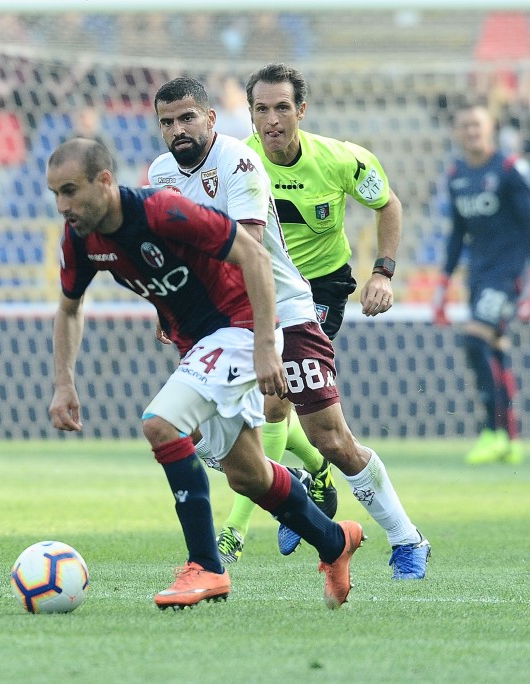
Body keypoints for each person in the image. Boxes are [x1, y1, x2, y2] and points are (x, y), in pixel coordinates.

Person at [47, 137, 364, 610]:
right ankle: (334, 540)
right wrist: (64, 382)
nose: (62, 205)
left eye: (70, 190)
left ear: (105, 181)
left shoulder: (164, 212)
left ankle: (207, 567)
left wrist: (263, 347)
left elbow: (254, 256)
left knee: (160, 423)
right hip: (199, 345)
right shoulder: (80, 238)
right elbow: (69, 309)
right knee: (249, 476)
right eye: (55, 194)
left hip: (238, 329)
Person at [148, 77, 430, 580]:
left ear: (212, 118)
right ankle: (300, 483)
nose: (177, 130)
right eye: (167, 122)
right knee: (218, 452)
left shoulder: (240, 162)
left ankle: (408, 540)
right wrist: (168, 310)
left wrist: (381, 271)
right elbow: (170, 250)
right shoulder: (160, 172)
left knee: (331, 438)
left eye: (187, 117)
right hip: (217, 321)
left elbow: (247, 252)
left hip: (285, 310)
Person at [244, 62, 402, 342]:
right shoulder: (237, 163)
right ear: (251, 114)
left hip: (322, 283)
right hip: (260, 281)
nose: (272, 120)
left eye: (282, 107)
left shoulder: (340, 159)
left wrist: (382, 274)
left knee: (298, 359)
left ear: (301, 110)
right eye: (262, 109)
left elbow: (388, 204)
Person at [433, 103, 530, 465]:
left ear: (490, 129)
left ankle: (492, 431)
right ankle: (510, 439)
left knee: (474, 338)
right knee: (496, 349)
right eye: (465, 126)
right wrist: (442, 286)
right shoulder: (457, 174)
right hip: (479, 275)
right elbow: (457, 235)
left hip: (508, 275)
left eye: (477, 125)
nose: (471, 131)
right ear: (457, 132)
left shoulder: (508, 170)